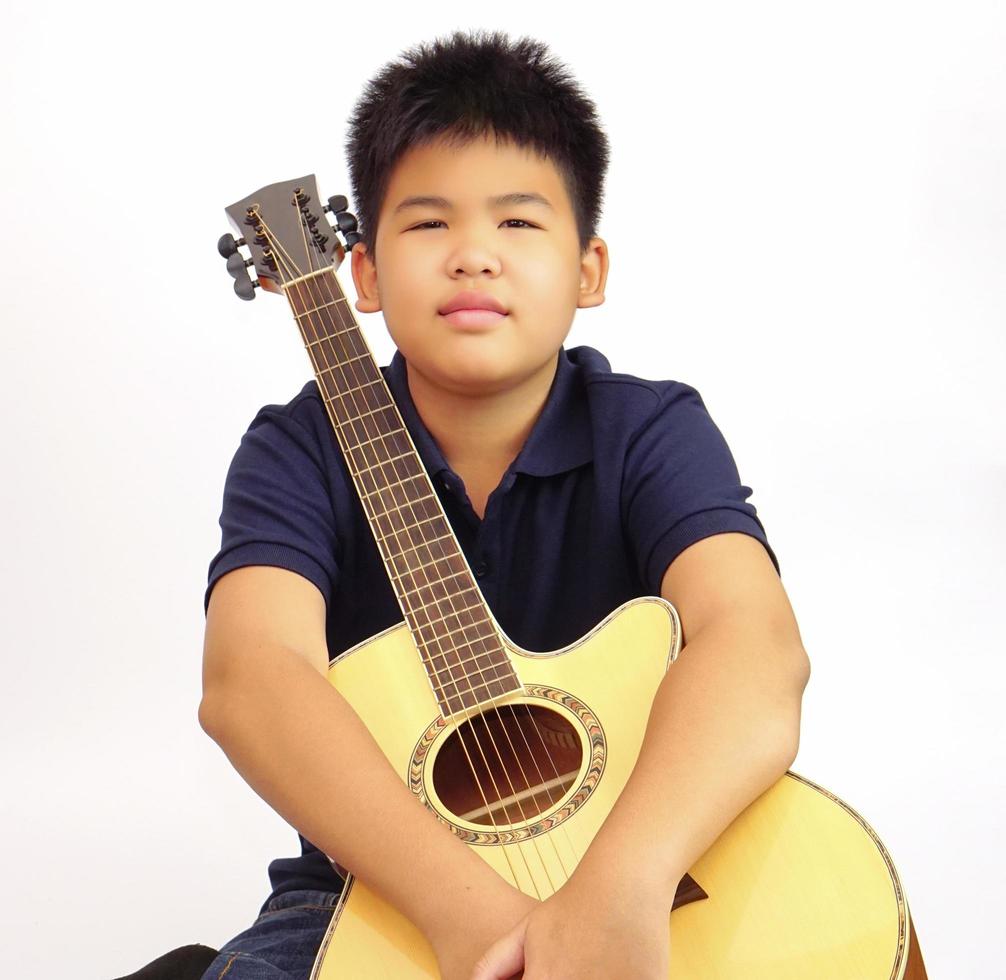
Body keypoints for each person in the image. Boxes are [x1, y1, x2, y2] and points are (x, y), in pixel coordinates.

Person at [197, 30, 809, 980]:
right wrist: (467, 910)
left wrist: (621, 885)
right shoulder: (297, 448)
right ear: (359, 272)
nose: (474, 255)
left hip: (658, 847)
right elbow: (251, 681)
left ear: (589, 270)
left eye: (520, 225)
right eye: (429, 224)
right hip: (375, 882)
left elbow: (755, 646)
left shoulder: (650, 430)